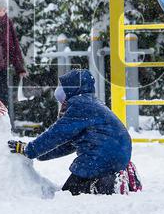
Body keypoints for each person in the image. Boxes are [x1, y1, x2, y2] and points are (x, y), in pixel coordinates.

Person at [8, 69, 141, 195]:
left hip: (101, 156)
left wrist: (29, 149)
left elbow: (57, 134)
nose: (60, 94)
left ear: (73, 89)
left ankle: (106, 184)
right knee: (74, 185)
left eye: (64, 89)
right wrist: (41, 154)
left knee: (70, 192)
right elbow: (68, 144)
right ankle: (113, 176)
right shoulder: (89, 103)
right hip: (117, 155)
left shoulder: (80, 105)